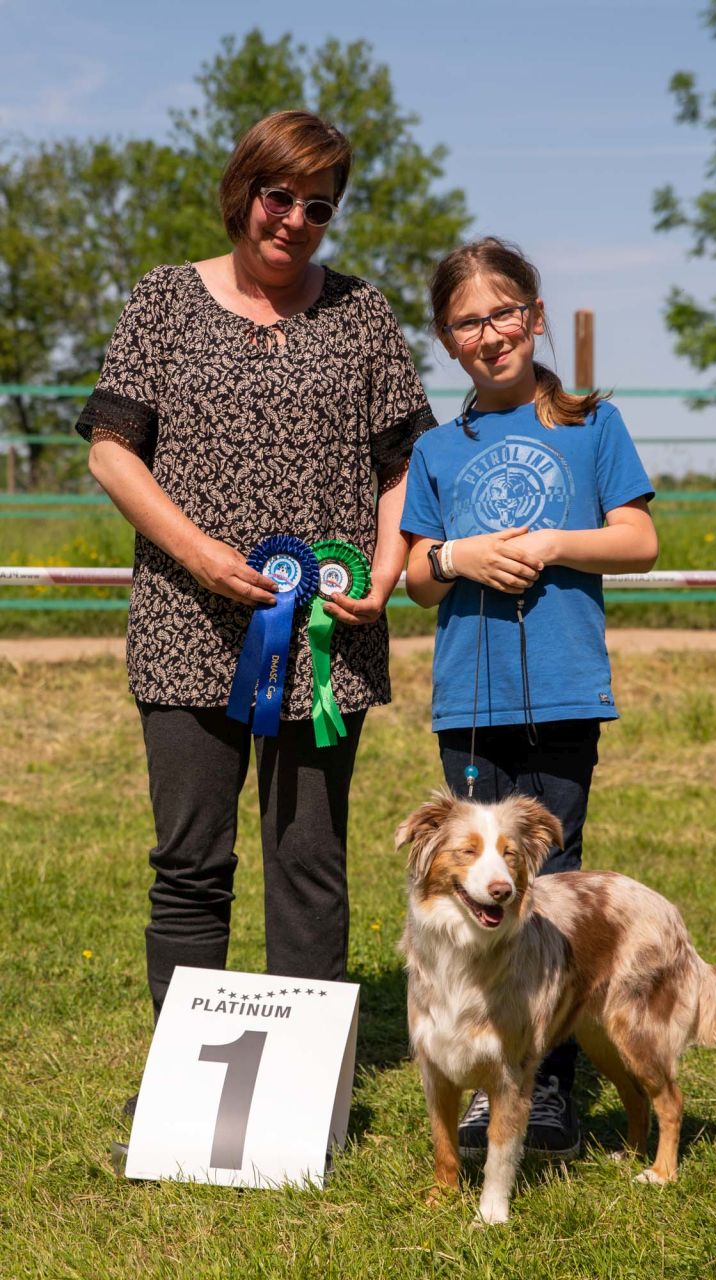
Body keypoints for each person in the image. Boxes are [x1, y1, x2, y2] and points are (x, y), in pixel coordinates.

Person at [76, 111, 435, 1058]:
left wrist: (388, 572)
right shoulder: (160, 300)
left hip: (327, 632)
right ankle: (184, 1078)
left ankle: (305, 1084)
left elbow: (405, 461)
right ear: (245, 191)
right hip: (183, 624)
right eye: (281, 196)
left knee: (308, 862)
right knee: (190, 863)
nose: (295, 220)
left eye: (319, 207)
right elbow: (112, 453)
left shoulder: (363, 313)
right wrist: (197, 552)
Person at [401, 237, 658, 1158]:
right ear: (446, 339)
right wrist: (456, 557)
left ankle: (544, 1086)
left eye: (504, 312)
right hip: (469, 704)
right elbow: (416, 580)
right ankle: (483, 1075)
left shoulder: (594, 426)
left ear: (535, 317)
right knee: (478, 888)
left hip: (561, 695)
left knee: (543, 894)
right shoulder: (437, 448)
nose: (490, 332)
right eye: (468, 321)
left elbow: (637, 540)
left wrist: (552, 541)